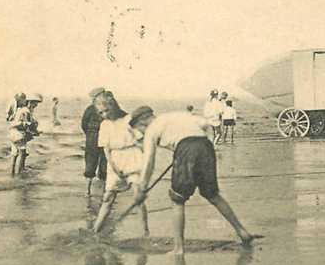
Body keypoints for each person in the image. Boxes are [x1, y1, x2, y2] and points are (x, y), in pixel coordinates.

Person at [130, 106, 253, 255]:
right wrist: (190, 145)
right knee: (212, 195)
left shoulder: (151, 130)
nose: (142, 133)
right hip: (205, 146)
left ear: (143, 122)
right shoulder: (175, 114)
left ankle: (178, 248)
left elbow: (149, 162)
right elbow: (204, 123)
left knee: (177, 199)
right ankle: (242, 231)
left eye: (139, 130)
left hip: (186, 150)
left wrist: (142, 188)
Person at [92, 92, 150, 237]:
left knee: (138, 196)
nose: (104, 114)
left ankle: (145, 232)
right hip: (115, 159)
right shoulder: (104, 125)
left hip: (133, 157)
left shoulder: (127, 120)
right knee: (108, 198)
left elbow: (140, 139)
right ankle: (95, 231)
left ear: (113, 106)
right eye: (101, 112)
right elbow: (105, 149)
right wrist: (114, 167)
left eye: (107, 110)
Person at [81, 87, 108, 196]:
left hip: (92, 137)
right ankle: (103, 191)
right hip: (102, 137)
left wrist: (89, 134)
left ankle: (88, 191)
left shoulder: (90, 109)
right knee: (104, 162)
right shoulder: (107, 108)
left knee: (91, 162)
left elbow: (84, 124)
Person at [9, 93, 42, 174]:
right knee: (22, 153)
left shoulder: (20, 109)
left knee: (14, 154)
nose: (36, 106)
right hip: (19, 134)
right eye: (35, 104)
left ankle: (12, 173)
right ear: (30, 102)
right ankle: (19, 172)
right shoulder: (26, 111)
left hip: (12, 133)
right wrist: (35, 131)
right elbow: (26, 124)